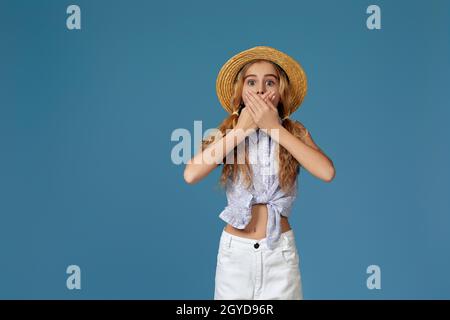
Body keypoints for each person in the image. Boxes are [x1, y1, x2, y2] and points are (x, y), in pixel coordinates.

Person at [184, 46, 335, 300]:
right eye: (251, 82)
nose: (260, 89)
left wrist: (274, 129)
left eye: (270, 82)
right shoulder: (229, 131)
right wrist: (240, 131)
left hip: (280, 254)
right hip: (236, 257)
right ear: (241, 91)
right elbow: (191, 174)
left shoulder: (293, 131)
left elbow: (326, 172)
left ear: (281, 91)